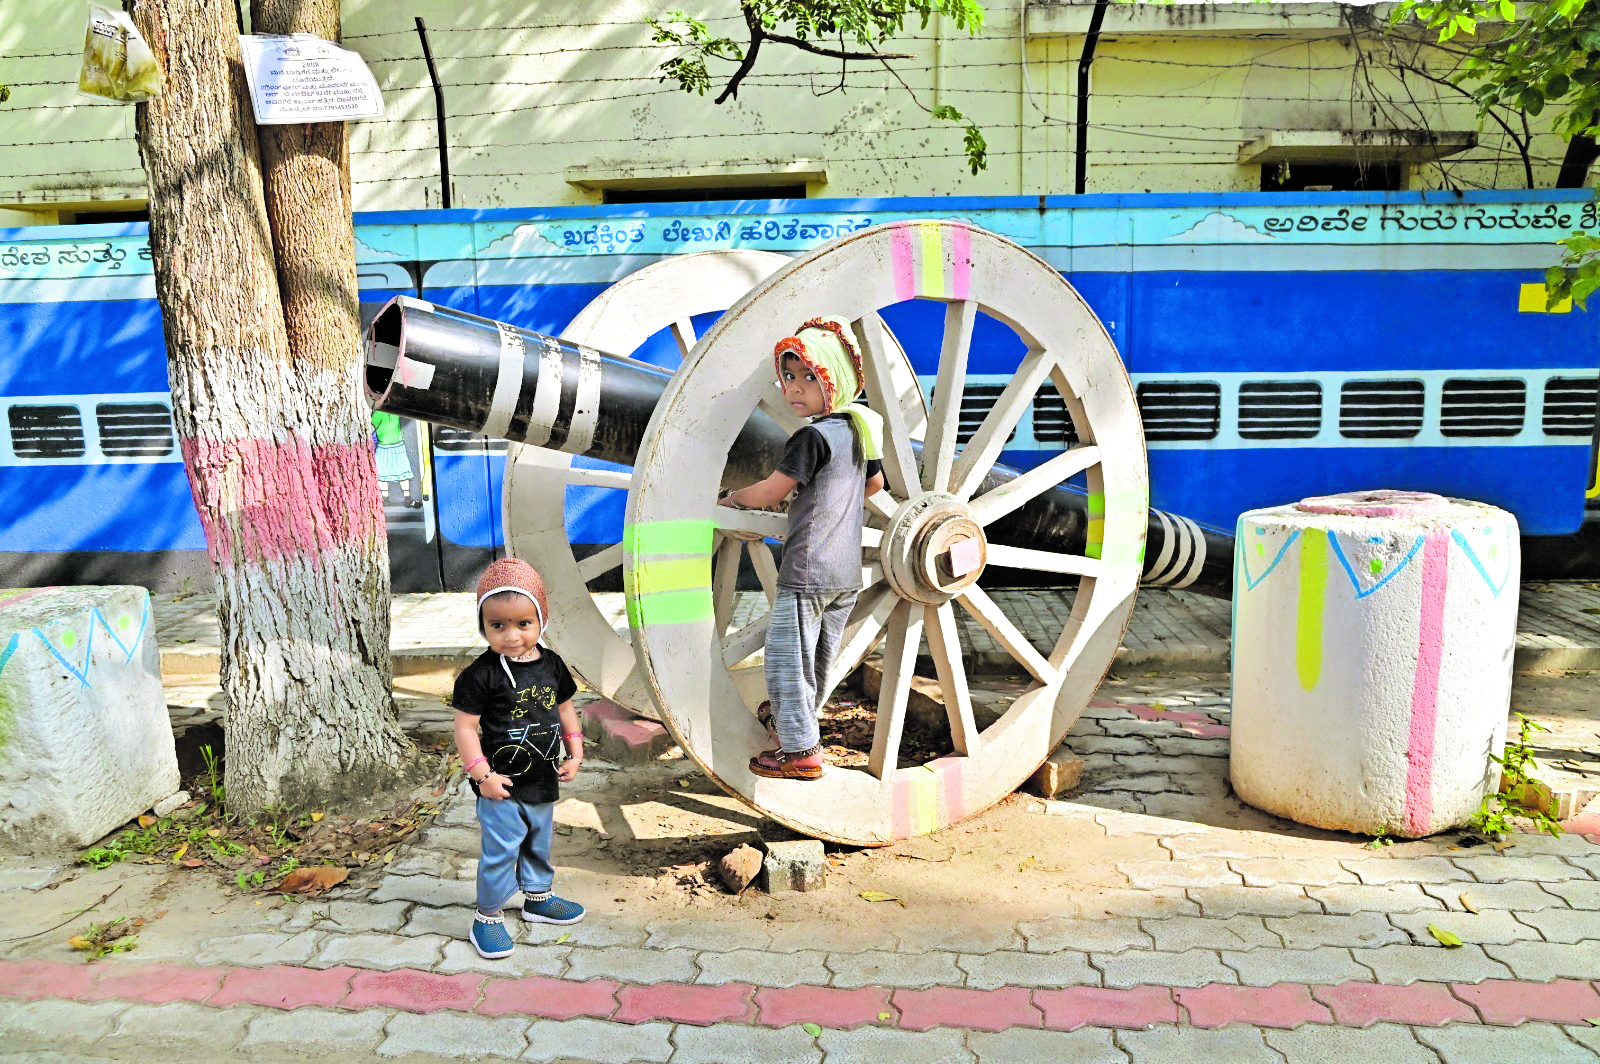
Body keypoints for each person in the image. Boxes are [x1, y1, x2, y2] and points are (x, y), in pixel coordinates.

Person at [720, 316, 886, 781]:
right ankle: (796, 727)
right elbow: (873, 485)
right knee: (817, 661)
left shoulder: (811, 437)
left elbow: (772, 490)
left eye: (810, 377)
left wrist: (732, 500)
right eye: (789, 376)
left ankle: (799, 750)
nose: (795, 388)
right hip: (845, 574)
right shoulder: (857, 433)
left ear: (834, 381)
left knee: (785, 661)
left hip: (808, 571)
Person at [453, 557, 585, 959]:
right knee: (501, 849)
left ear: (541, 620)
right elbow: (464, 729)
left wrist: (575, 749)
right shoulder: (480, 675)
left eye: (523, 624)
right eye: (498, 625)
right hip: (500, 786)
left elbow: (564, 708)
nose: (511, 636)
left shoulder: (553, 665)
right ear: (484, 625)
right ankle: (488, 916)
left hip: (542, 779)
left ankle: (537, 897)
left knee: (537, 843)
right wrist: (481, 776)